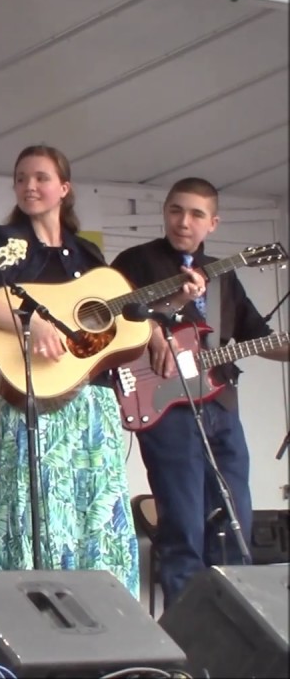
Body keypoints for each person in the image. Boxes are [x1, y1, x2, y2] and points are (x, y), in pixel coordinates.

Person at [0, 145, 203, 595]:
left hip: (92, 403)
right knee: (41, 515)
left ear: (63, 189)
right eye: (22, 177)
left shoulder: (86, 253)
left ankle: (103, 613)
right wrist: (30, 323)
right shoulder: (4, 242)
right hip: (37, 403)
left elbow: (127, 321)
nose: (30, 186)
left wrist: (175, 304)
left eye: (42, 178)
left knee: (95, 517)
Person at [109, 177, 289, 608]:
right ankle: (188, 647)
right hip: (166, 407)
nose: (183, 221)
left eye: (195, 214)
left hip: (222, 405)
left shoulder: (223, 276)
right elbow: (114, 319)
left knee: (235, 524)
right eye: (175, 210)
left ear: (213, 223)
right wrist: (155, 325)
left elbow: (260, 337)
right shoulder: (136, 260)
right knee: (183, 528)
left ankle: (232, 635)